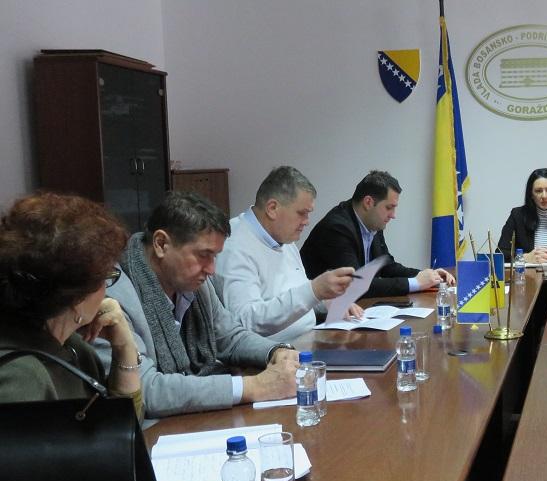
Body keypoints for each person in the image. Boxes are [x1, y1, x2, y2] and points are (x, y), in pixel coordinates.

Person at [94, 192, 299, 418]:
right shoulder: (113, 295)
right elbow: (145, 389)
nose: (211, 269)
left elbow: (229, 337)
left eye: (214, 256)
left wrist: (276, 351)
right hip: (150, 430)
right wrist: (254, 387)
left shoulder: (194, 282)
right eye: (203, 255)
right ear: (161, 244)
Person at [0, 193, 143, 419]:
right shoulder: (21, 377)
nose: (107, 291)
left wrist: (125, 349)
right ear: (76, 299)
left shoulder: (76, 349)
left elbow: (120, 429)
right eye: (105, 279)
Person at [215, 166, 362, 341]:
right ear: (272, 208)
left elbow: (294, 298)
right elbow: (246, 320)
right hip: (271, 354)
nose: (306, 222)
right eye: (302, 213)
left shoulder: (284, 238)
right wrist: (314, 290)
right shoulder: (234, 245)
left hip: (308, 341)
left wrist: (326, 301)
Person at [301, 170, 455, 298]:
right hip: (317, 317)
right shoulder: (337, 228)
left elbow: (387, 267)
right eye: (389, 207)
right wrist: (416, 283)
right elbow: (356, 284)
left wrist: (428, 276)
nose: (393, 215)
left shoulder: (373, 222)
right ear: (368, 202)